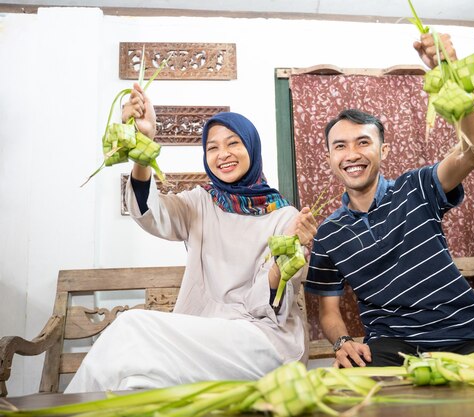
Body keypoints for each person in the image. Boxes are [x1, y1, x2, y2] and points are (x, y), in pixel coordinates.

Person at [65, 87, 317, 392]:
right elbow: (150, 213)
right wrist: (144, 144)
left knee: (131, 326)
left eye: (233, 143)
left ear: (252, 147)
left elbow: (265, 305)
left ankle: (62, 410)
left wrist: (285, 257)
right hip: (202, 339)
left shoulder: (285, 218)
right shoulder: (200, 203)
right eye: (212, 148)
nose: (222, 154)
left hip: (262, 342)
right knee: (137, 381)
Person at [304, 33, 474, 368]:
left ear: (383, 150)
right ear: (329, 157)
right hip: (391, 345)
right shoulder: (328, 234)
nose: (352, 155)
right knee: (349, 394)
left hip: (465, 336)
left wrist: (450, 77)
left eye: (363, 142)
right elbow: (329, 312)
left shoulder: (416, 187)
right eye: (340, 146)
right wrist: (344, 341)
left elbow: (473, 152)